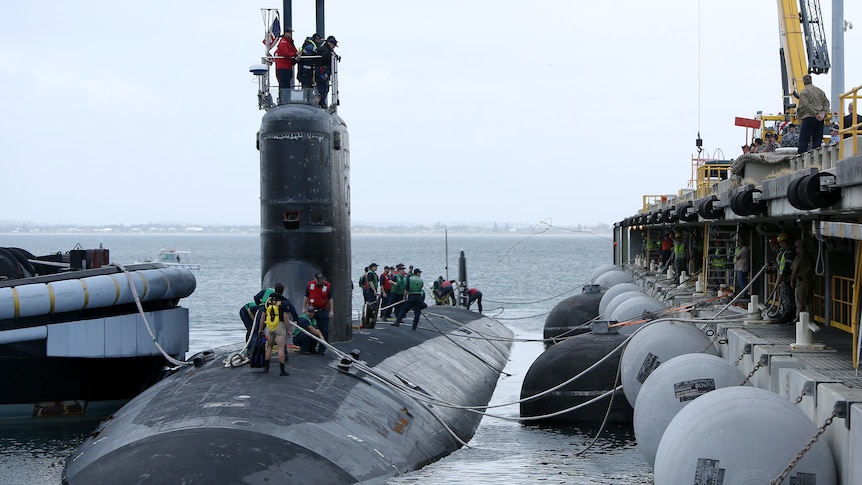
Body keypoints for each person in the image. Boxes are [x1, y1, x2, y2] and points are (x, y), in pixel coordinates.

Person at [258, 283, 295, 376]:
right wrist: (289, 329)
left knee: (269, 347)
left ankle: (266, 368)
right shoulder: (284, 302)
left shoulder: (268, 301)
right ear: (283, 291)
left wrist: (260, 329)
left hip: (270, 326)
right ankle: (282, 371)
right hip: (280, 326)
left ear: (275, 290)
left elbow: (263, 317)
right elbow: (286, 318)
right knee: (281, 348)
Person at [796, 74, 830, 154]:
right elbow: (827, 103)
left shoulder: (804, 92)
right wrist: (823, 113)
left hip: (808, 117)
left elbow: (806, 105)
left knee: (804, 138)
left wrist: (815, 114)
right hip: (820, 118)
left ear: (804, 82)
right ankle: (817, 155)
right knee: (817, 139)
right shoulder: (820, 91)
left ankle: (801, 156)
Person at [302, 272, 333, 355]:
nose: (319, 281)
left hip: (322, 311)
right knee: (310, 329)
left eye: (320, 280)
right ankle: (310, 348)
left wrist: (331, 311)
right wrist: (304, 308)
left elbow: (330, 299)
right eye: (317, 279)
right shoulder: (310, 284)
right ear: (314, 278)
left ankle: (322, 349)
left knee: (324, 330)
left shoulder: (327, 286)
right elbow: (306, 296)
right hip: (312, 311)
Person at [790, 239, 815, 324]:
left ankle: (799, 319)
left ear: (801, 247)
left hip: (801, 281)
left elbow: (794, 271)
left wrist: (792, 280)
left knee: (800, 301)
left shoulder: (799, 257)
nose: (796, 249)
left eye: (797, 247)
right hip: (810, 280)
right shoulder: (810, 256)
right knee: (809, 302)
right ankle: (810, 320)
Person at [775, 233, 796, 324]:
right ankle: (786, 313)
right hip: (784, 277)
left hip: (787, 278)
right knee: (784, 296)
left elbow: (787, 265)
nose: (779, 244)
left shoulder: (789, 252)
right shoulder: (784, 252)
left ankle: (788, 315)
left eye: (781, 242)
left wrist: (782, 275)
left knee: (787, 297)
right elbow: (781, 265)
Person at [315, 35, 338, 108]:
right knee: (322, 88)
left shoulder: (327, 49)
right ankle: (320, 103)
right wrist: (331, 54)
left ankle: (321, 103)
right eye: (333, 44)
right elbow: (325, 56)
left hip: (324, 72)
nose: (334, 47)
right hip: (322, 72)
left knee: (325, 88)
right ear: (329, 43)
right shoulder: (324, 49)